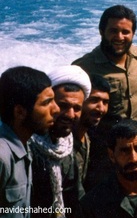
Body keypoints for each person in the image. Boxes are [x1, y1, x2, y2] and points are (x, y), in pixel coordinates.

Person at [72, 4, 137, 174]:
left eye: (125, 32)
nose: (119, 37)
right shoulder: (84, 67)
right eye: (113, 31)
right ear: (101, 31)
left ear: (133, 34)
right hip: (107, 160)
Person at [30, 65, 91, 217]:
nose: (70, 114)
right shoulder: (26, 143)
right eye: (63, 106)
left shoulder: (66, 146)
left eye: (77, 108)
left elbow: (76, 196)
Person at [0, 66, 59, 218]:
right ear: (20, 112)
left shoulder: (25, 144)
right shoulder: (3, 156)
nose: (56, 109)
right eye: (46, 103)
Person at [73, 74, 110, 193]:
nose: (101, 109)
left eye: (105, 102)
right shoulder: (63, 142)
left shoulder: (88, 139)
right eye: (94, 100)